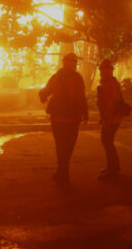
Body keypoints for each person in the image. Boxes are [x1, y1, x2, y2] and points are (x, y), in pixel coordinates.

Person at [38, 52, 89, 187]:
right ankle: (63, 174)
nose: (73, 65)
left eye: (74, 63)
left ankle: (61, 173)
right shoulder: (73, 78)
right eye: (72, 62)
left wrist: (42, 94)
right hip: (68, 120)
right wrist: (85, 112)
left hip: (62, 120)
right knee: (65, 148)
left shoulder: (57, 77)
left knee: (62, 148)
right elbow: (81, 97)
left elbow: (47, 90)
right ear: (66, 62)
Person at [96, 59, 123, 178]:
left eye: (105, 69)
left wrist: (106, 119)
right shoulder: (107, 82)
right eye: (101, 69)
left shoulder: (110, 83)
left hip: (112, 118)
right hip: (111, 118)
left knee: (107, 142)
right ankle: (113, 167)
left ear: (110, 71)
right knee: (108, 142)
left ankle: (112, 170)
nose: (102, 72)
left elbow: (111, 103)